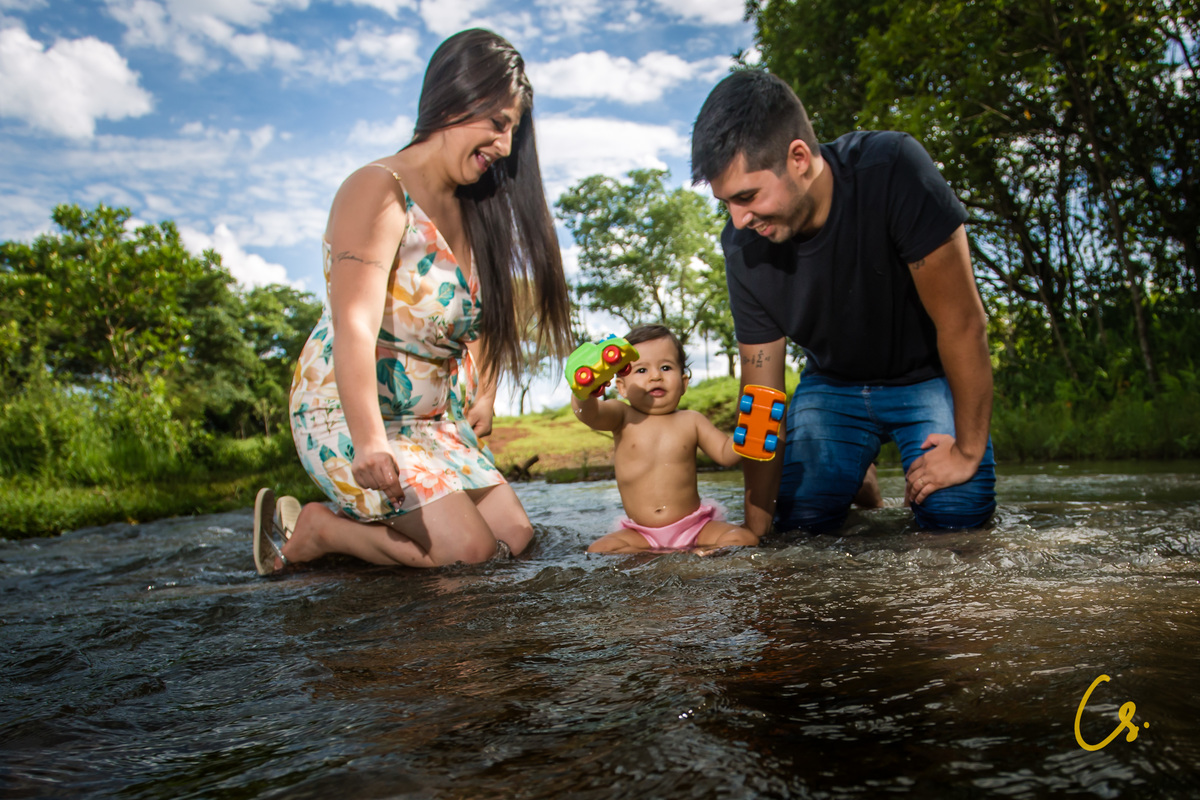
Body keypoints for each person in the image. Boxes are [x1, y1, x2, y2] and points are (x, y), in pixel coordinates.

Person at [253, 29, 571, 576]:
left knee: (515, 537)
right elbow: (353, 321)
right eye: (498, 122)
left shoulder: (478, 211)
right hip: (354, 414)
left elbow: (487, 317)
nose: (506, 145)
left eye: (514, 130)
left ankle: (354, 529)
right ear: (455, 98)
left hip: (432, 422)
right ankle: (318, 530)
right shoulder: (377, 189)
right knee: (467, 553)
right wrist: (371, 440)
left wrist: (488, 391)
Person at [689, 69, 996, 537]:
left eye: (748, 197)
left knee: (958, 516)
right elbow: (761, 400)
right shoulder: (742, 247)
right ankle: (855, 475)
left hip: (926, 377)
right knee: (797, 525)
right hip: (832, 386)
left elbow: (963, 324)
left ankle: (856, 470)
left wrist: (968, 452)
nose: (738, 219)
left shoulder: (893, 169)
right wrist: (757, 535)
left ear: (798, 158)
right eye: (726, 202)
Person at [572, 325, 759, 554]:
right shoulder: (622, 417)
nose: (655, 376)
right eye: (641, 370)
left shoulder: (692, 420)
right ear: (621, 387)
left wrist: (751, 433)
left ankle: (671, 558)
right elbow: (589, 414)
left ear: (684, 383)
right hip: (641, 533)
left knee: (743, 538)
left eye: (665, 367)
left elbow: (725, 453)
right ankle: (669, 558)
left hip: (695, 527)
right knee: (600, 549)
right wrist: (585, 390)